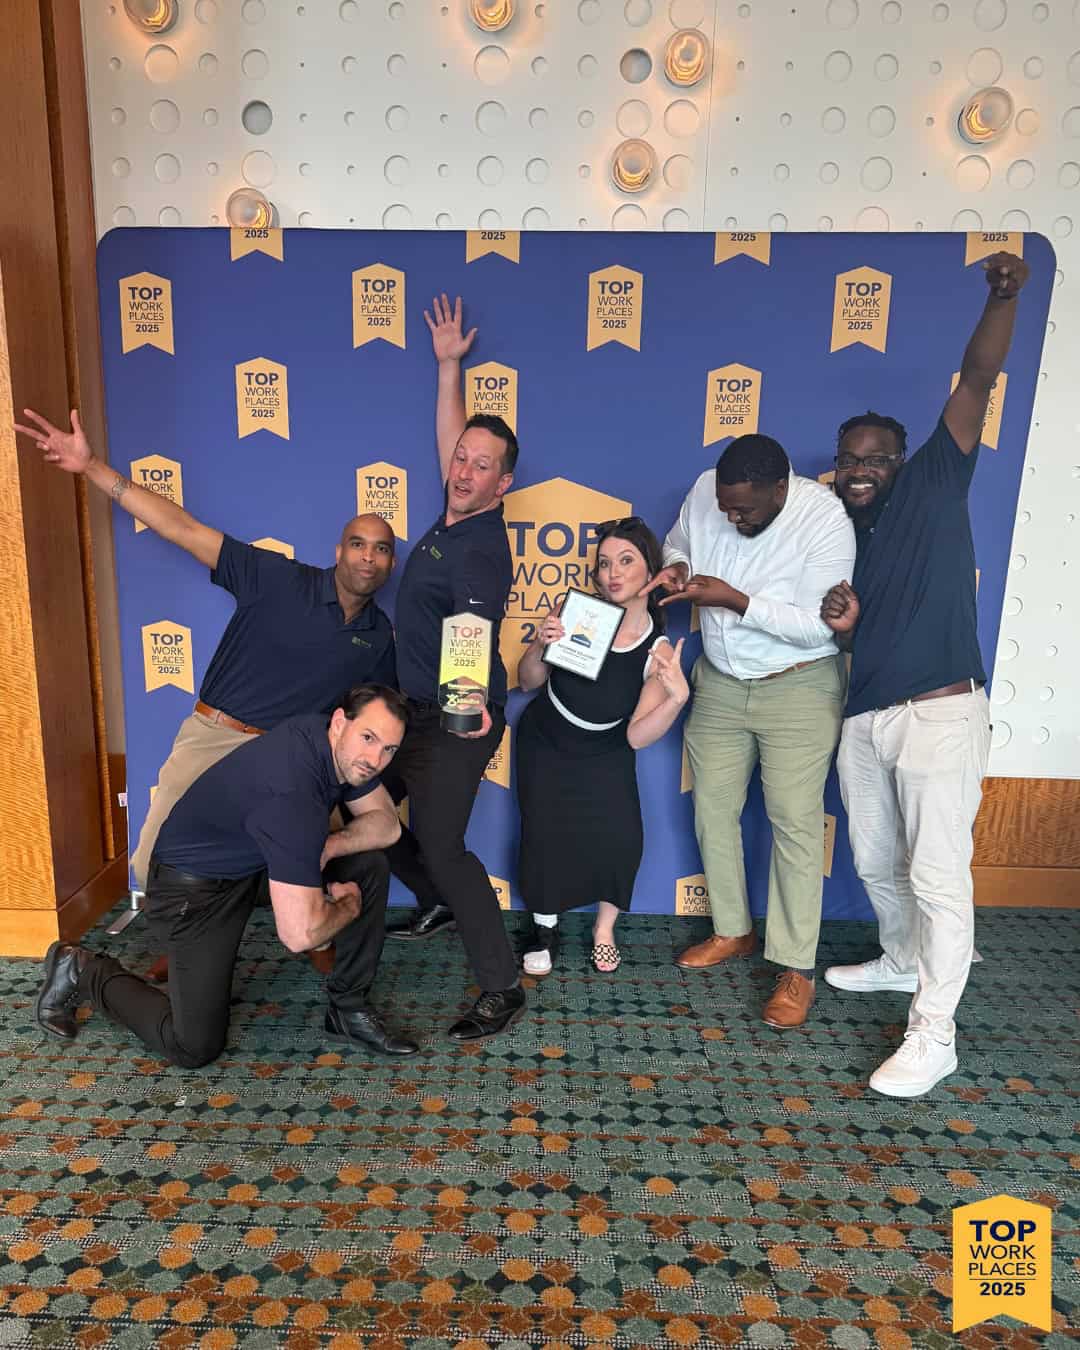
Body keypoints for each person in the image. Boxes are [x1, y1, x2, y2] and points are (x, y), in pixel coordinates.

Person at [14, 408, 398, 897]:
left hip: (290, 759)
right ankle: (195, 927)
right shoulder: (277, 578)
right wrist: (91, 467)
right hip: (217, 736)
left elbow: (381, 717)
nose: (368, 556)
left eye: (381, 549)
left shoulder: (378, 635)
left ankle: (301, 928)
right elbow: (184, 530)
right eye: (358, 544)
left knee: (302, 862)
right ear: (338, 552)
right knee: (153, 863)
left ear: (391, 562)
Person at [819, 251, 1030, 1098]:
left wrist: (1001, 298)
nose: (860, 468)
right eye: (850, 458)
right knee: (876, 860)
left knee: (938, 876)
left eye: (875, 457)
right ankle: (901, 959)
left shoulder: (937, 481)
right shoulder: (841, 533)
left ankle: (934, 1032)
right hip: (866, 717)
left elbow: (977, 378)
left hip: (940, 714)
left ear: (903, 460)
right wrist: (847, 631)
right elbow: (866, 636)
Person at [35, 686, 419, 1063]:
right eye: (369, 738)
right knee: (193, 1046)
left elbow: (387, 826)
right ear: (339, 723)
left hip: (250, 866)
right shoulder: (292, 794)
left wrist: (331, 846)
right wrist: (349, 907)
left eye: (388, 749)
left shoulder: (332, 744)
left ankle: (347, 1009)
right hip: (192, 894)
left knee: (368, 865)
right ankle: (84, 969)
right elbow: (299, 934)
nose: (375, 758)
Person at [646, 434, 855, 1028]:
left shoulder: (825, 520)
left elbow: (820, 628)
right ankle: (732, 930)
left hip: (799, 683)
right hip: (720, 680)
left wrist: (736, 600)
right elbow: (678, 542)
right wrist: (679, 566)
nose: (733, 517)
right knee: (712, 809)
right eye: (726, 507)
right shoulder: (705, 491)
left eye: (745, 510)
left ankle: (796, 967)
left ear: (780, 489)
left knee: (794, 821)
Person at [381, 294, 524, 1040]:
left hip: (452, 721)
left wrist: (466, 716)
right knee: (361, 803)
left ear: (504, 484)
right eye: (462, 459)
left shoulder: (480, 550)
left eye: (480, 466)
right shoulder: (456, 505)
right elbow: (452, 439)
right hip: (407, 709)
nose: (463, 470)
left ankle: (502, 987)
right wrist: (448, 368)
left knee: (443, 846)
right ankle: (432, 898)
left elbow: (472, 633)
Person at [515, 518, 689, 975]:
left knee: (621, 838)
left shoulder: (657, 650)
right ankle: (544, 929)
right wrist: (538, 646)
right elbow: (527, 681)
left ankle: (604, 929)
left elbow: (636, 736)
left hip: (606, 747)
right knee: (544, 834)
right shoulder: (578, 613)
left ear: (651, 571)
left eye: (626, 561)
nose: (613, 573)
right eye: (605, 563)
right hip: (547, 739)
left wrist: (677, 698)